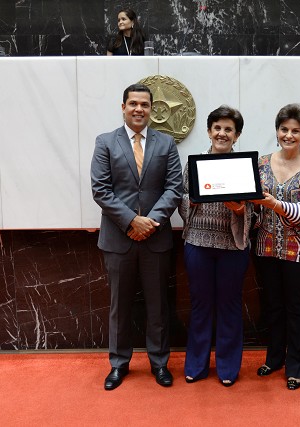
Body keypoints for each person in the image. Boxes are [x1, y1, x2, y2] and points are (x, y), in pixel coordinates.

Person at [91, 83, 182, 390]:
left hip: (156, 238)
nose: (139, 109)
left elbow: (174, 188)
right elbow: (101, 190)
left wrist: (150, 222)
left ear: (151, 109)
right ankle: (118, 364)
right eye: (133, 104)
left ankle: (159, 363)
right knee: (120, 306)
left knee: (158, 305)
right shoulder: (105, 142)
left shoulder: (166, 143)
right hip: (118, 239)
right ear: (123, 107)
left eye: (144, 104)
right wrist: (132, 221)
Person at [252, 103, 300, 390]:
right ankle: (274, 358)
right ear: (277, 131)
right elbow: (254, 205)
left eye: (296, 131)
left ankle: (297, 367)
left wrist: (276, 204)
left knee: (297, 309)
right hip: (266, 247)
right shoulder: (261, 163)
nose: (289, 135)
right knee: (273, 306)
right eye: (284, 129)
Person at [179, 106, 253, 387]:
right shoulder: (194, 164)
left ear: (237, 135)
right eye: (217, 128)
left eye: (228, 129)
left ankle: (228, 368)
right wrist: (191, 201)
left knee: (230, 306)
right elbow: (181, 196)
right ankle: (196, 366)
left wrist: (240, 209)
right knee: (200, 305)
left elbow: (254, 209)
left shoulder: (245, 166)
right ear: (209, 131)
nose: (222, 133)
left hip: (233, 247)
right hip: (198, 243)